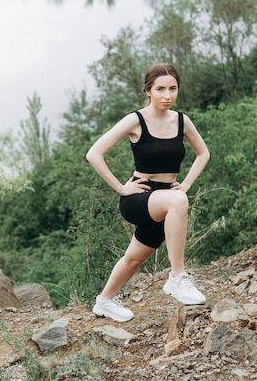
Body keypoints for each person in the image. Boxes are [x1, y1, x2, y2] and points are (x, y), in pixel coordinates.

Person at [85, 63, 210, 323]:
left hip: (167, 200)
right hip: (139, 197)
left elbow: (203, 153)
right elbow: (94, 153)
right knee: (178, 201)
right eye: (160, 89)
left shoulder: (181, 121)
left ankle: (104, 301)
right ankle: (177, 277)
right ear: (148, 90)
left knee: (134, 258)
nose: (167, 95)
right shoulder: (136, 120)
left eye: (173, 89)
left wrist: (185, 183)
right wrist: (120, 187)